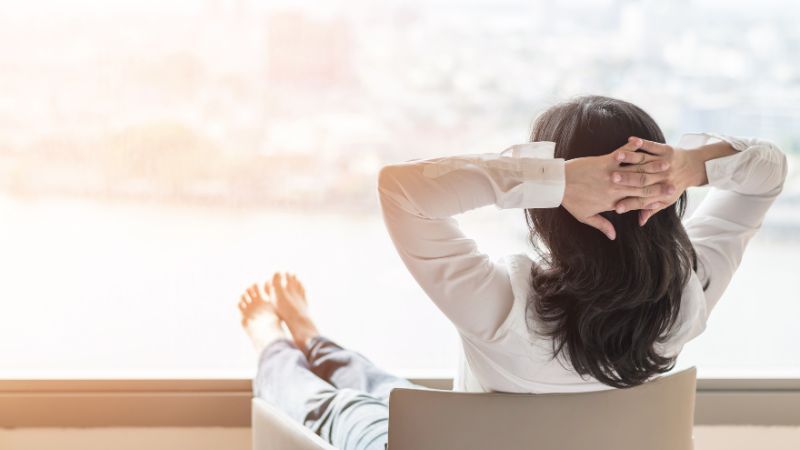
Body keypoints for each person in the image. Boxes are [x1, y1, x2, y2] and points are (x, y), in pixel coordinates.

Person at [239, 95, 788, 450]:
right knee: (387, 388)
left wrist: (556, 180)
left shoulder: (503, 307)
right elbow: (769, 174)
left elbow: (400, 189)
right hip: (467, 433)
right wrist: (694, 165)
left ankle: (272, 337)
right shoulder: (689, 298)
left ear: (549, 208)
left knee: (338, 405)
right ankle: (313, 337)